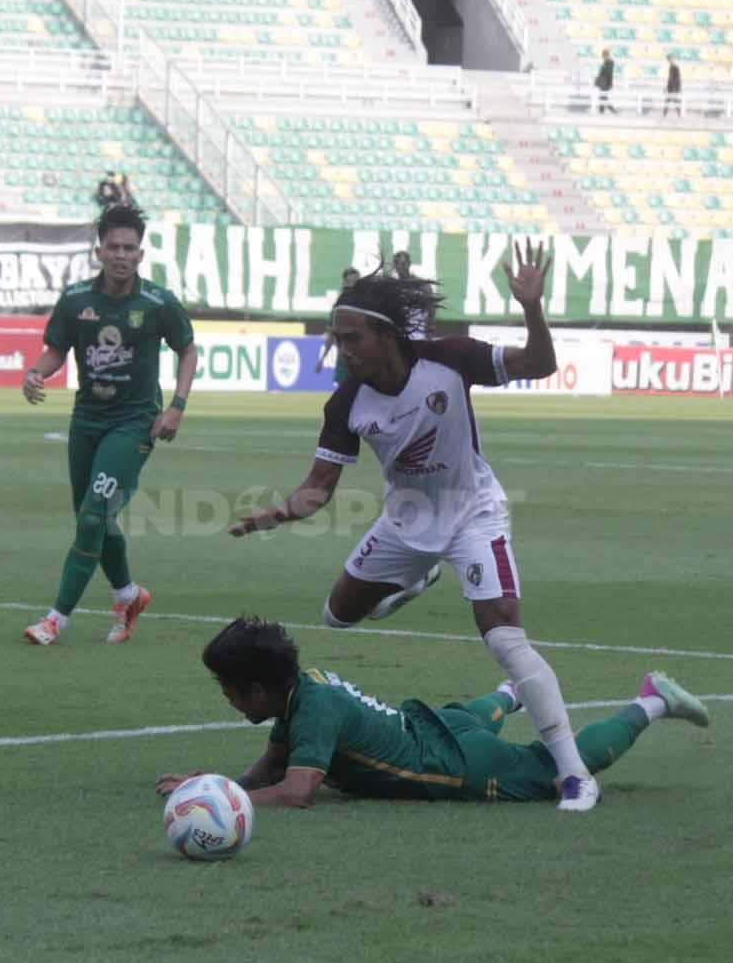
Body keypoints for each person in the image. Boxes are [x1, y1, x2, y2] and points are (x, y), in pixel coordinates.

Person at [226, 244, 608, 812]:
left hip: (473, 513)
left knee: (504, 635)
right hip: (405, 525)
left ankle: (573, 773)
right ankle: (415, 579)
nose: (342, 348)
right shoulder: (346, 403)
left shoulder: (450, 359)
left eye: (352, 337)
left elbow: (539, 365)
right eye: (338, 337)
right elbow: (320, 486)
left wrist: (533, 308)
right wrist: (278, 513)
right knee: (338, 615)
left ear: (386, 335)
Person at [156, 616, 711, 807]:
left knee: (552, 770)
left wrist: (229, 803)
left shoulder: (314, 709)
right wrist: (207, 787)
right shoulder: (300, 696)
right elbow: (265, 773)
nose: (227, 698)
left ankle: (652, 699)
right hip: (433, 725)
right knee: (466, 713)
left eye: (230, 688)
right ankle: (517, 688)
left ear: (260, 687)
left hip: (453, 763)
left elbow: (298, 793)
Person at [19, 203, 198, 646]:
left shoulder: (158, 303)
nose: (121, 254)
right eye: (113, 246)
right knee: (93, 517)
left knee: (93, 515)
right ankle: (128, 595)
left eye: (130, 248)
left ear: (141, 253)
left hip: (134, 423)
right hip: (86, 421)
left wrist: (175, 406)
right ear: (99, 251)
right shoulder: (76, 300)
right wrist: (36, 372)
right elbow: (56, 349)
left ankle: (55, 620)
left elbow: (188, 350)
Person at [319, 267, 362, 380]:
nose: (352, 286)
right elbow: (331, 335)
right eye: (349, 282)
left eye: (356, 283)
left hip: (363, 361)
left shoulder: (366, 307)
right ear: (344, 283)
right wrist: (322, 359)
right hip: (344, 362)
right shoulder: (337, 309)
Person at [593, 48, 617, 114]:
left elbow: (609, 73)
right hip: (603, 83)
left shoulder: (609, 62)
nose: (602, 56)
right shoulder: (605, 62)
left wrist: (610, 83)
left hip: (605, 83)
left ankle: (612, 110)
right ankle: (603, 111)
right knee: (602, 97)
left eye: (603, 55)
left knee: (603, 97)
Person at [663, 53, 683, 118]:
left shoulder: (675, 67)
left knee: (673, 101)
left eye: (670, 59)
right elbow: (670, 79)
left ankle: (678, 114)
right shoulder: (671, 67)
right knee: (669, 101)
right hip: (671, 88)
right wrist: (667, 87)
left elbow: (677, 79)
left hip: (673, 88)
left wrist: (676, 88)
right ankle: (665, 114)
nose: (669, 61)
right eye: (668, 59)